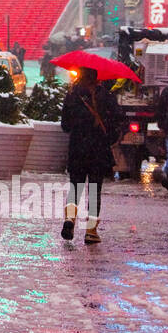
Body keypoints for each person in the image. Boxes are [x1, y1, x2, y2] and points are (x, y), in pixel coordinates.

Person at [60, 66, 125, 244]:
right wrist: (108, 136)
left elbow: (65, 125)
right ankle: (90, 231)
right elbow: (117, 120)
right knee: (95, 190)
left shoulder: (72, 95)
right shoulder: (106, 96)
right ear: (97, 77)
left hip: (78, 148)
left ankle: (69, 220)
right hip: (98, 150)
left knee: (75, 187)